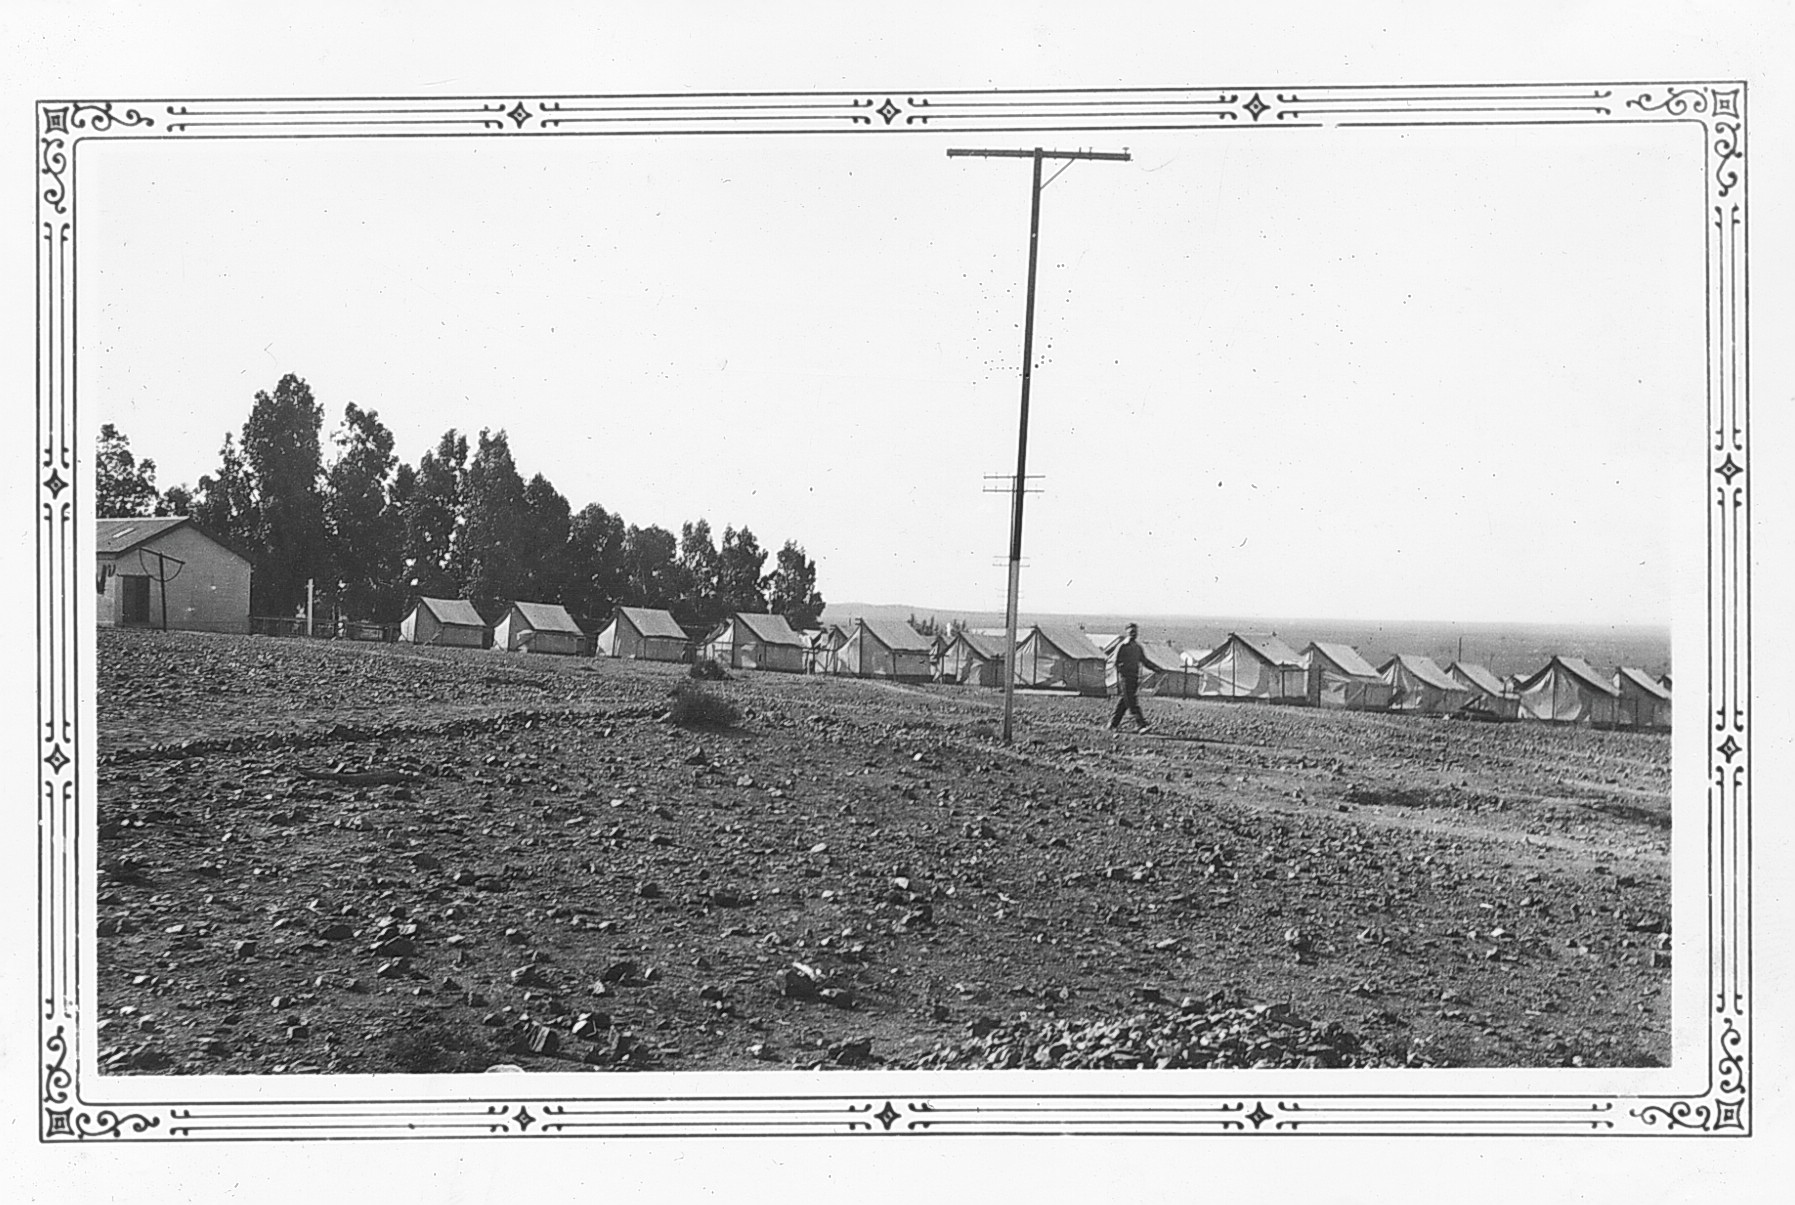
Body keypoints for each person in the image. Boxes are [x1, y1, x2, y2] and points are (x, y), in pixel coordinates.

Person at [1107, 622, 1151, 732]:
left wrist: (1157, 668)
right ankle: (1141, 724)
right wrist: (1121, 674)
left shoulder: (1138, 647)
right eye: (1131, 632)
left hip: (1134, 678)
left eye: (1135, 632)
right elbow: (1115, 661)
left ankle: (1113, 724)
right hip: (1125, 678)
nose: (1133, 634)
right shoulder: (1122, 646)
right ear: (1127, 632)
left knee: (1124, 701)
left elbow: (1144, 661)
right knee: (1131, 701)